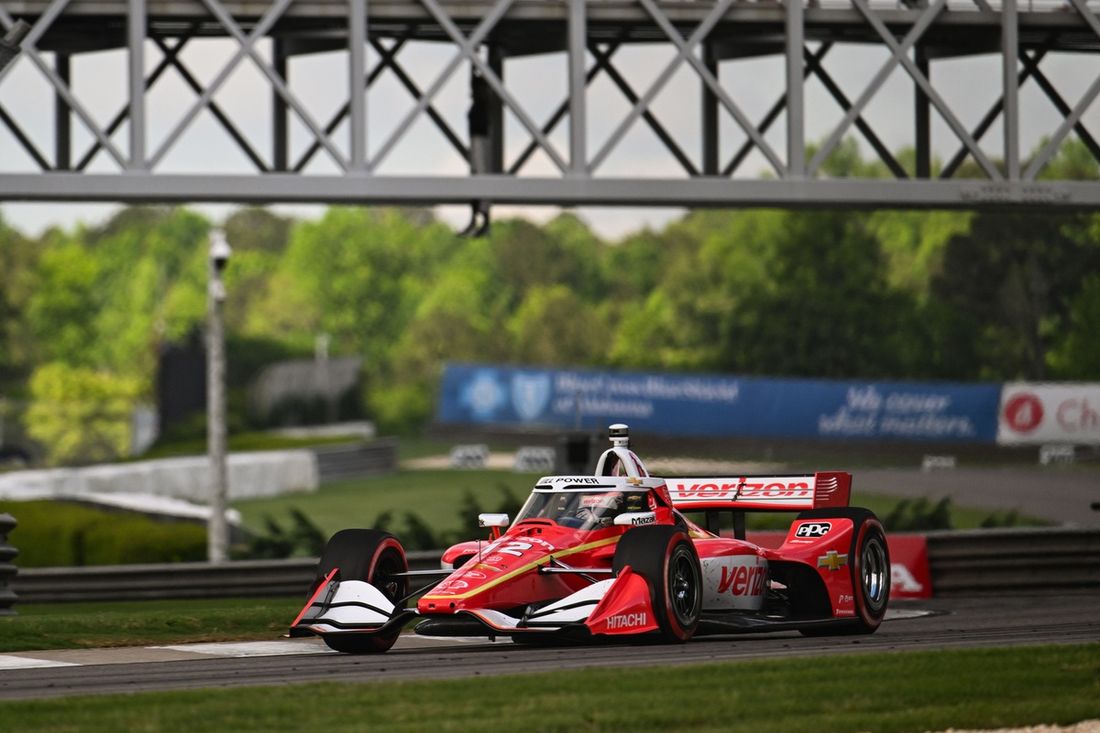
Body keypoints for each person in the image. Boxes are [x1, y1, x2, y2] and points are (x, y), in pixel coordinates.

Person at [460, 72, 493, 237]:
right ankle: (475, 220)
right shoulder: (478, 104)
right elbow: (472, 82)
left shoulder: (483, 104)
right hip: (475, 142)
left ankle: (484, 220)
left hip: (481, 142)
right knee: (475, 178)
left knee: (481, 178)